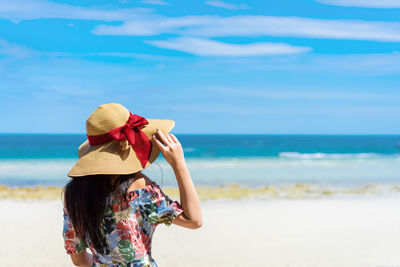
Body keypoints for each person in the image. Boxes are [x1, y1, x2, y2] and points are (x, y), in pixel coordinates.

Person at [62, 103, 202, 267]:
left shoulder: (74, 194)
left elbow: (79, 260)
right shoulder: (139, 188)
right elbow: (193, 220)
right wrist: (179, 164)